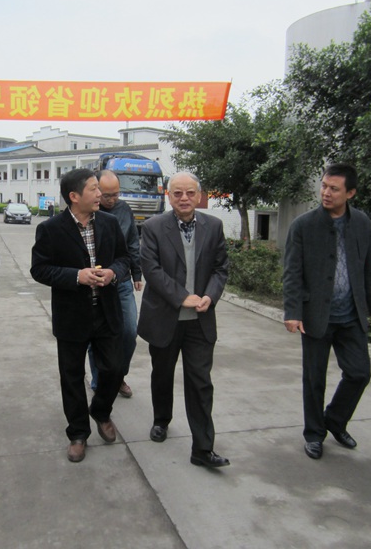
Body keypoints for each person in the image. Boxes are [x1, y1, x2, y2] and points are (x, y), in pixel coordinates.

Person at [283, 163, 371, 460]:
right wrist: (292, 311)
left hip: (351, 314)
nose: (326, 193)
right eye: (324, 186)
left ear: (350, 193)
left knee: (359, 373)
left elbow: (368, 268)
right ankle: (314, 434)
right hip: (316, 315)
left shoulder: (361, 223)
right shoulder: (303, 225)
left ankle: (335, 421)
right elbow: (292, 272)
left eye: (334, 189)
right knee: (314, 379)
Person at [30, 168, 130, 463]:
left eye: (100, 189)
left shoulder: (110, 223)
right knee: (72, 376)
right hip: (71, 316)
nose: (100, 194)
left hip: (106, 312)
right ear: (74, 196)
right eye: (94, 189)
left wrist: (113, 273)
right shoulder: (50, 229)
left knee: (114, 368)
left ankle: (101, 411)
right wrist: (76, 276)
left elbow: (124, 258)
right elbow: (39, 269)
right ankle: (77, 433)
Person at [137, 172, 230, 468]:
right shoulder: (153, 227)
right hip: (165, 318)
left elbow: (220, 268)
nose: (184, 198)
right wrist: (182, 297)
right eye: (177, 193)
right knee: (162, 374)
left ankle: (202, 449)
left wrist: (210, 296)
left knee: (201, 382)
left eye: (190, 193)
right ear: (169, 196)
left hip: (200, 320)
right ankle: (161, 419)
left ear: (199, 195)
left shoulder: (213, 226)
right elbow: (151, 270)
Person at [87, 170, 143, 398]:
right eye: (107, 195)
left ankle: (118, 376)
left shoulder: (124, 209)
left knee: (129, 331)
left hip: (121, 281)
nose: (111, 200)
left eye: (116, 194)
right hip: (94, 284)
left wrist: (137, 272)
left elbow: (133, 242)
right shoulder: (89, 210)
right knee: (97, 337)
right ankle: (99, 381)